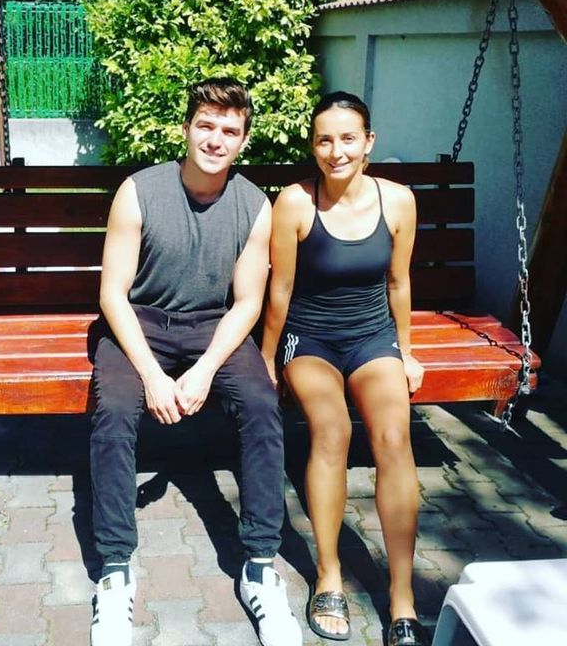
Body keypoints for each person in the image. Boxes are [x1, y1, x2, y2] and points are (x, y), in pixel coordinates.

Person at [88, 78, 303, 646]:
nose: (215, 139)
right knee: (115, 409)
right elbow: (112, 295)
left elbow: (249, 302)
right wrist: (154, 377)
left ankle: (260, 565)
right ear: (185, 129)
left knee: (260, 404)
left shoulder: (255, 205)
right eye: (205, 125)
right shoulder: (138, 191)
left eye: (229, 130)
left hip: (212, 324)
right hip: (139, 321)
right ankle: (115, 569)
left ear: (243, 141)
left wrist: (204, 369)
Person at [261, 91, 429, 646]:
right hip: (309, 339)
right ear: (313, 146)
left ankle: (402, 595)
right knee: (331, 430)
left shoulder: (398, 201)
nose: (336, 151)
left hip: (372, 337)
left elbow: (398, 282)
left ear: (368, 142)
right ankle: (329, 574)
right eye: (324, 140)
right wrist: (266, 358)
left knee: (393, 436)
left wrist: (405, 350)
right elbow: (280, 288)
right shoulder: (295, 203)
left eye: (348, 138)